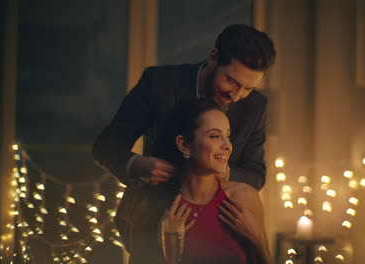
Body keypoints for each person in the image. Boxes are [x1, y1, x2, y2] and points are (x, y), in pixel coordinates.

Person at [92, 24, 275, 263]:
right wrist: (136, 165)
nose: (236, 95)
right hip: (155, 212)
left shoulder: (255, 106)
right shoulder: (160, 83)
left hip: (220, 215)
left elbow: (256, 173)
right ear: (213, 58)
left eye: (248, 88)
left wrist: (224, 169)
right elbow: (106, 144)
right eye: (231, 81)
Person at [159, 99, 271, 264]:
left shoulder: (243, 197)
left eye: (227, 136)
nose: (227, 146)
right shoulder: (162, 204)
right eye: (214, 136)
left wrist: (257, 240)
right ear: (184, 145)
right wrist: (171, 252)